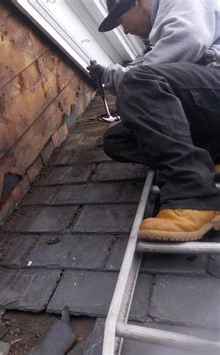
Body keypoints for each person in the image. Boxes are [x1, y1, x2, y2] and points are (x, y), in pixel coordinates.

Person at [87, 0, 220, 242]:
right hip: (209, 107)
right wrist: (114, 75)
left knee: (138, 82)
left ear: (136, 3)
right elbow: (158, 70)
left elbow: (190, 38)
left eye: (121, 21)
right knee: (117, 140)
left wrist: (126, 80)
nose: (125, 31)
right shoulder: (166, 26)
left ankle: (194, 197)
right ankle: (212, 159)